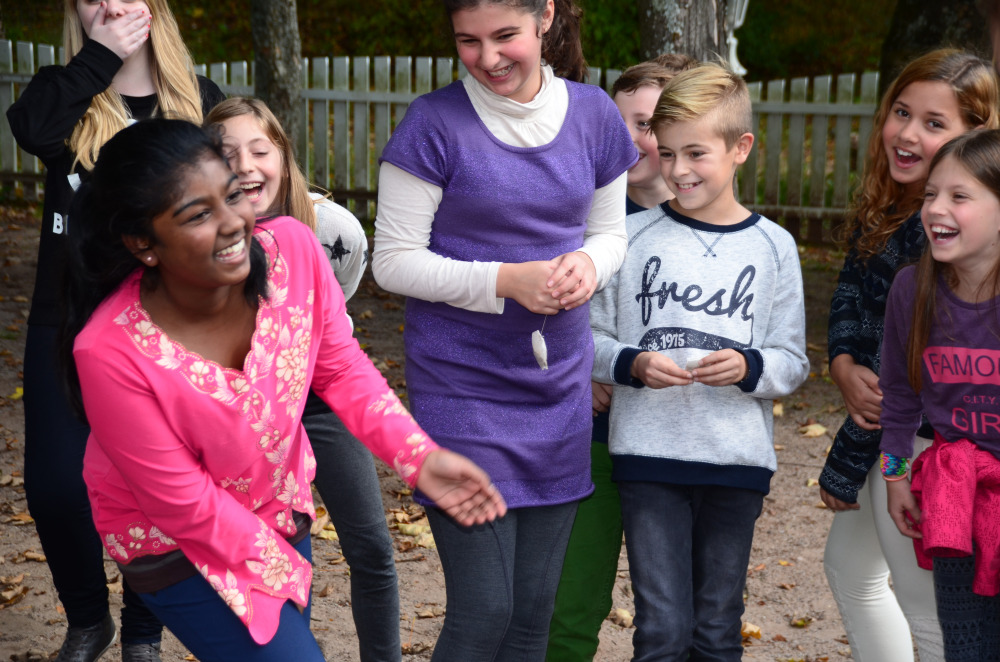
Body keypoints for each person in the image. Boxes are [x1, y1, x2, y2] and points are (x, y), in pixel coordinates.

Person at [58, 117, 507, 662]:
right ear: (142, 243)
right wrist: (281, 568)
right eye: (199, 214)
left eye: (232, 196)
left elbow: (340, 368)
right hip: (171, 544)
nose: (234, 223)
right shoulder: (108, 351)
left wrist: (419, 458)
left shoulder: (292, 248)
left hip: (279, 507)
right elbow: (183, 504)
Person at [372, 0, 637, 658]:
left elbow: (610, 234)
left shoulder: (594, 114)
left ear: (545, 15)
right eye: (468, 41)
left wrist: (588, 264)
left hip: (557, 391)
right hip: (462, 389)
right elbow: (393, 262)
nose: (487, 58)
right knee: (485, 609)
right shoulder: (433, 124)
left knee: (531, 616)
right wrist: (504, 280)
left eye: (505, 36)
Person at [6, 1, 225, 659]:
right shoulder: (65, 92)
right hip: (69, 320)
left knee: (155, 484)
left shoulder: (199, 100)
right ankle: (87, 620)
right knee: (55, 487)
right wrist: (99, 58)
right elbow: (31, 128)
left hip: (170, 324)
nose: (109, 3)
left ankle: (142, 632)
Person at [589, 62, 809, 661]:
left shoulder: (774, 247)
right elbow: (590, 339)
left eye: (695, 154)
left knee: (716, 629)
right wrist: (631, 363)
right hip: (647, 459)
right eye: (667, 153)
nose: (678, 170)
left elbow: (792, 360)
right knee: (661, 630)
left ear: (740, 148)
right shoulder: (629, 238)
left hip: (735, 464)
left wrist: (750, 368)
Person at [819, 49, 999, 662]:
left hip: (932, 449)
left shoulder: (951, 238)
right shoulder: (890, 209)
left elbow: (905, 384)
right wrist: (842, 362)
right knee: (851, 569)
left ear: (977, 139)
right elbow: (849, 301)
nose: (908, 133)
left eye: (934, 123)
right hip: (894, 443)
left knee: (934, 615)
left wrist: (889, 464)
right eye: (902, 112)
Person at [205, 96, 400, 662]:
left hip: (320, 397)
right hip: (248, 415)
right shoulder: (195, 238)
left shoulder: (329, 229)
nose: (245, 166)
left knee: (372, 546)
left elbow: (338, 313)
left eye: (259, 150)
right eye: (226, 154)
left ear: (283, 157)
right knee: (277, 552)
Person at [545, 51, 695, 662]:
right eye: (620, 122)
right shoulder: (573, 217)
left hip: (675, 443)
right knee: (571, 604)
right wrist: (580, 368)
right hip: (594, 439)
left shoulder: (711, 231)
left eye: (649, 124)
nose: (631, 140)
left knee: (673, 617)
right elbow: (547, 308)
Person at [879, 128, 1000, 661]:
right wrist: (895, 476)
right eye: (931, 194)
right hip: (953, 498)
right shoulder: (912, 290)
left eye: (959, 195)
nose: (936, 208)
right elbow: (899, 397)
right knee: (966, 647)